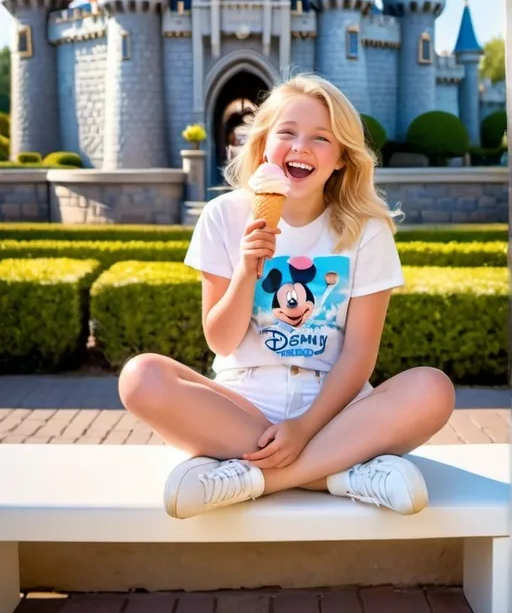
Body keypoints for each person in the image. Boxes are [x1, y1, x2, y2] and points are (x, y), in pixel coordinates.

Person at [118, 74, 455, 520]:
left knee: (433, 388)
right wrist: (246, 271)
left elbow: (358, 356)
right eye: (288, 132)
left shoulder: (365, 230)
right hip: (244, 402)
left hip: (335, 409)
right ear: (262, 147)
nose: (301, 146)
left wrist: (304, 428)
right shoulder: (224, 216)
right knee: (140, 377)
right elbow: (220, 341)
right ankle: (345, 473)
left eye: (321, 138)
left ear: (340, 159)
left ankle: (253, 477)